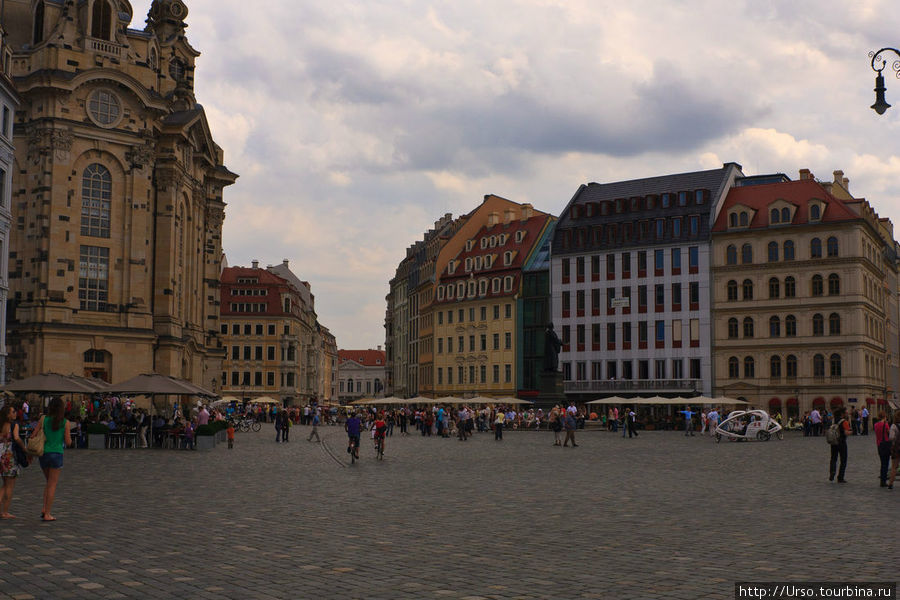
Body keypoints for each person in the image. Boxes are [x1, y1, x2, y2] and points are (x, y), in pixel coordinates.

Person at [36, 398, 72, 521]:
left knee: (48, 482)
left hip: (44, 453)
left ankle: (44, 508)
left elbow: (33, 435)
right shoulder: (65, 422)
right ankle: (47, 514)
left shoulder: (43, 419)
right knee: (52, 484)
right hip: (57, 453)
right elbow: (68, 442)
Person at [0, 404, 25, 519]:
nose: (15, 413)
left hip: (1, 455)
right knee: (10, 485)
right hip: (10, 456)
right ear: (7, 414)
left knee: (5, 484)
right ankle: (5, 512)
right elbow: (16, 438)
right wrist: (25, 449)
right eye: (13, 411)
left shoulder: (1, 425)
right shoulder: (14, 425)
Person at [828, 406, 850, 483]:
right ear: (842, 414)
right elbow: (846, 432)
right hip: (842, 442)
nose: (847, 413)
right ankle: (840, 477)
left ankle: (832, 472)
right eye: (846, 412)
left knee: (833, 458)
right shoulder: (844, 421)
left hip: (833, 442)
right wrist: (851, 432)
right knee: (843, 460)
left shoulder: (833, 420)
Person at [874, 411, 891, 487]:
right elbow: (889, 433)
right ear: (884, 417)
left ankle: (882, 479)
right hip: (886, 444)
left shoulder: (875, 425)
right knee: (886, 463)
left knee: (882, 463)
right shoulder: (885, 424)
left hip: (879, 444)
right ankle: (883, 481)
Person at [888, 411, 900, 489]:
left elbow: (891, 437)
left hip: (897, 448)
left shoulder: (894, 426)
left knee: (894, 467)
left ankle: (891, 483)